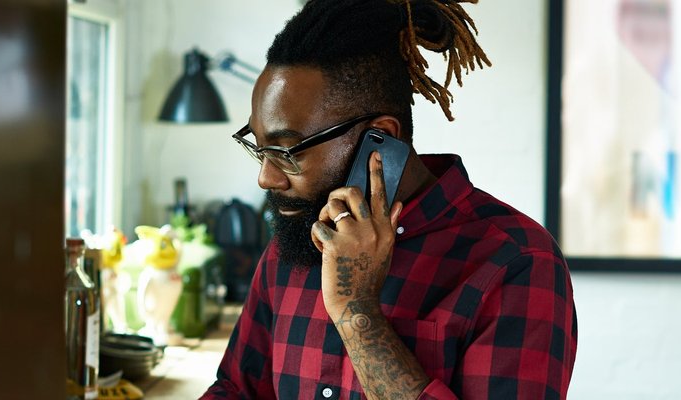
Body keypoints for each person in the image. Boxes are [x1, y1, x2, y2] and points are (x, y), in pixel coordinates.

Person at [201, 0, 577, 398]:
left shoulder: (515, 261)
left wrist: (356, 310)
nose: (266, 177)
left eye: (288, 152)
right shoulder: (295, 238)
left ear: (380, 137)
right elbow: (237, 389)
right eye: (259, 149)